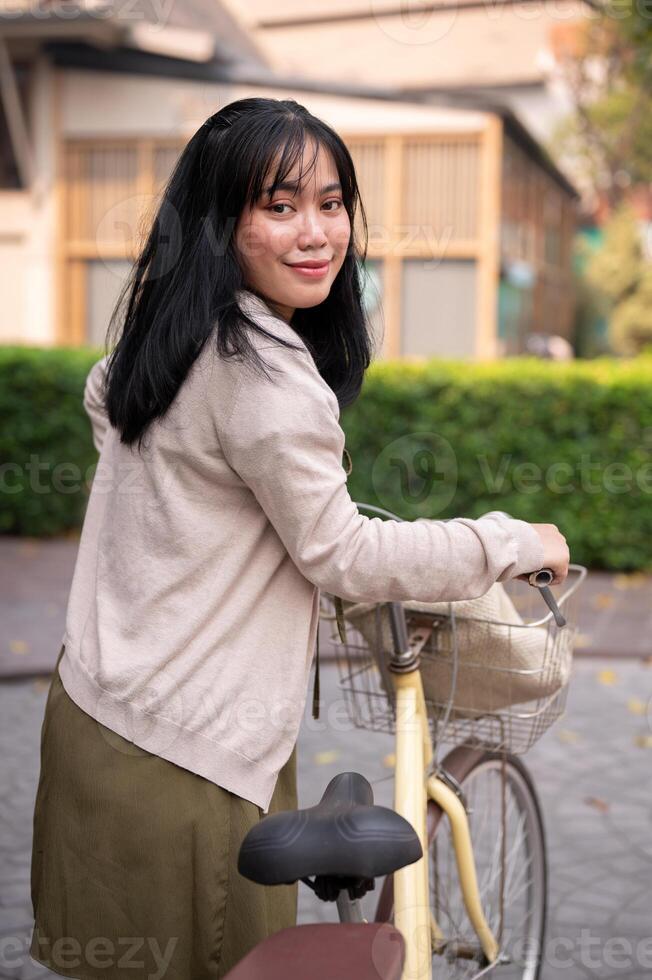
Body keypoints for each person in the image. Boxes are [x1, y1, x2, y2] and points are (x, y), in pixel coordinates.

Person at [29, 96, 570, 980]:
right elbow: (343, 552)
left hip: (95, 710)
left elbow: (106, 404)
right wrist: (505, 540)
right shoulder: (266, 379)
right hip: (191, 753)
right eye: (279, 207)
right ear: (218, 223)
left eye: (330, 203)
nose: (316, 233)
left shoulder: (162, 342)